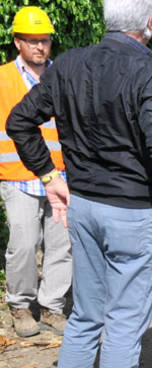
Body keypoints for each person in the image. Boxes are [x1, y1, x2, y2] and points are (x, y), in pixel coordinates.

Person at [6, 1, 152, 366]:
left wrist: (49, 176)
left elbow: (19, 121)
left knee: (84, 317)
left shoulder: (68, 64)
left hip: (83, 207)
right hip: (131, 212)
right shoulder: (150, 71)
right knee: (124, 324)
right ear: (149, 22)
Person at [0, 6, 71, 338]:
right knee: (24, 244)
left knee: (61, 245)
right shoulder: (2, 78)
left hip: (60, 175)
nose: (41, 47)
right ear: (17, 42)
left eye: (45, 41)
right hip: (17, 175)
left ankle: (52, 307)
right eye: (33, 41)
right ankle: (20, 304)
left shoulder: (62, 76)